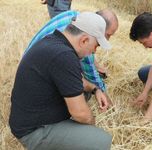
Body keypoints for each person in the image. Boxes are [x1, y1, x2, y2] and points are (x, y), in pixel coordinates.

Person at [10, 12, 113, 150]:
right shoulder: (64, 56)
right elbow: (81, 114)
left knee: (85, 93)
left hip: (29, 116)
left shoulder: (54, 41)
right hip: (33, 131)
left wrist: (96, 89)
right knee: (101, 141)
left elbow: (74, 79)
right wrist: (91, 127)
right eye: (96, 46)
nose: (94, 51)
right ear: (84, 40)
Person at [24, 9, 119, 103]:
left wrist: (96, 65)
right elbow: (91, 76)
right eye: (107, 35)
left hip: (29, 68)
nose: (108, 39)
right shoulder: (80, 44)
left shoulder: (74, 17)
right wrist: (106, 98)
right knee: (83, 92)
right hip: (34, 89)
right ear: (98, 26)